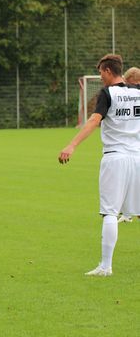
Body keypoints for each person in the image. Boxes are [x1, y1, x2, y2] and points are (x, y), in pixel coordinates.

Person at [59, 54, 140, 277]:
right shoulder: (137, 92)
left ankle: (106, 266)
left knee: (110, 213)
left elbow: (94, 121)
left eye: (101, 73)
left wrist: (72, 145)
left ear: (106, 71)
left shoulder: (107, 93)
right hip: (137, 158)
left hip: (115, 159)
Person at [117, 66, 140, 223]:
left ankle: (129, 212)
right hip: (128, 147)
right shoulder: (125, 96)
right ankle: (127, 213)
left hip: (133, 148)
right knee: (127, 180)